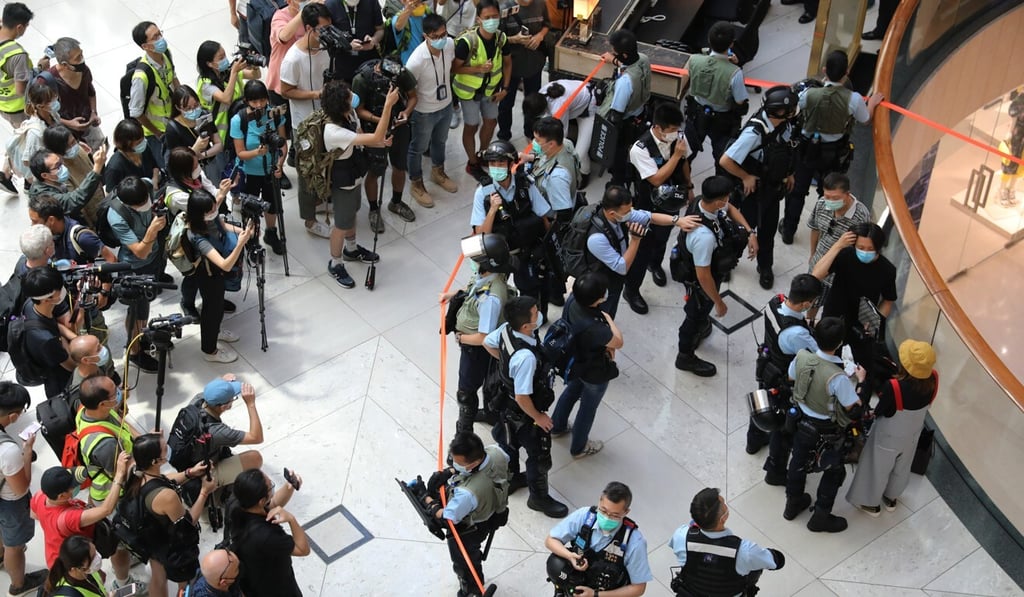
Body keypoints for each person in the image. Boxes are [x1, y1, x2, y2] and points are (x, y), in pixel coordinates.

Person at [780, 50, 883, 244]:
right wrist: (874, 103)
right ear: (846, 73)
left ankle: (788, 230)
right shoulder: (853, 99)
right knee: (827, 194)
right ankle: (825, 231)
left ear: (824, 70)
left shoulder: (809, 93)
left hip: (805, 150)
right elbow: (866, 119)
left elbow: (795, 108)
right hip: (833, 153)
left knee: (797, 192)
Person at [484, 296, 568, 517]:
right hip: (525, 412)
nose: (539, 314)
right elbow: (523, 397)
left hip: (506, 406)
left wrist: (506, 366)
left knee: (508, 444)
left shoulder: (505, 330)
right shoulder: (526, 358)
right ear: (525, 326)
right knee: (540, 456)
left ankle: (512, 480)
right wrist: (539, 418)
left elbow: (488, 343)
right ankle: (538, 499)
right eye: (535, 313)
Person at [783, 317, 865, 533]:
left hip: (800, 420)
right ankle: (820, 516)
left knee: (797, 462)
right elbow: (853, 407)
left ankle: (792, 504)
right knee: (834, 471)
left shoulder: (801, 357)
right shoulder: (838, 378)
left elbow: (791, 378)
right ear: (839, 344)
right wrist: (862, 382)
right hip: (826, 429)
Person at [673, 176, 757, 377]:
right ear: (718, 200)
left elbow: (730, 209)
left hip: (701, 268)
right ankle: (685, 356)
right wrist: (718, 302)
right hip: (701, 280)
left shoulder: (702, 202)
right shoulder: (703, 237)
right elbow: (704, 277)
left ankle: (701, 325)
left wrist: (750, 232)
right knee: (695, 314)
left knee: (700, 312)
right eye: (726, 198)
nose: (728, 201)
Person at [719, 85, 799, 289]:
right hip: (751, 193)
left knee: (768, 232)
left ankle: (765, 267)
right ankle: (726, 263)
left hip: (772, 190)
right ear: (779, 111)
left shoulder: (785, 124)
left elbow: (787, 149)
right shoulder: (754, 133)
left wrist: (789, 173)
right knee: (740, 231)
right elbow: (725, 161)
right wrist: (745, 176)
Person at [847, 340, 938, 516]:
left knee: (877, 466)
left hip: (889, 434)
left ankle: (870, 504)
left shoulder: (895, 386)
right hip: (913, 432)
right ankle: (891, 497)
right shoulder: (934, 379)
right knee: (902, 466)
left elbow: (882, 410)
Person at [322, 80, 396, 288]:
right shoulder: (333, 131)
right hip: (342, 181)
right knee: (341, 224)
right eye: (348, 94)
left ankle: (351, 249)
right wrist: (388, 105)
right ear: (341, 104)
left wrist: (379, 141)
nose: (353, 95)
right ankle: (335, 263)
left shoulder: (349, 114)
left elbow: (364, 136)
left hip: (354, 174)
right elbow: (372, 135)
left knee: (352, 212)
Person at [583, 185, 700, 318]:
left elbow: (650, 217)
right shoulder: (596, 239)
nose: (630, 212)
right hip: (605, 278)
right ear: (612, 213)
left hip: (621, 257)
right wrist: (636, 239)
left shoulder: (619, 214)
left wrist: (677, 221)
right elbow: (622, 267)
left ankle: (630, 293)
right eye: (627, 211)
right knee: (607, 309)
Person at [74, 375, 145, 591]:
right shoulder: (103, 445)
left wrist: (141, 438)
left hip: (114, 489)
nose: (120, 392)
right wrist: (147, 454)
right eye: (116, 392)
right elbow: (125, 473)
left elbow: (120, 422)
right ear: (103, 403)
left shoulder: (88, 410)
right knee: (119, 548)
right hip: (113, 499)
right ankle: (123, 581)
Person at [123, 433, 215, 597]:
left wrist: (190, 473)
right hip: (172, 547)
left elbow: (163, 479)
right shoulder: (167, 497)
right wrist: (204, 492)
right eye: (165, 449)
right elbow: (189, 523)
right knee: (186, 584)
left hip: (151, 539)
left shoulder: (136, 473)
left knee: (158, 577)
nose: (168, 450)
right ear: (155, 461)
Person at [440, 234, 514, 434]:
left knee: (466, 391)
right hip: (473, 345)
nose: (473, 262)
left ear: (488, 264)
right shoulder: (487, 276)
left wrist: (460, 337)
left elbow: (483, 337)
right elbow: (473, 287)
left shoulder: (491, 298)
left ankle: (463, 435)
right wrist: (451, 295)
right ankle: (489, 414)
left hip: (476, 350)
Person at [423, 432, 510, 597]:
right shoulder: (496, 452)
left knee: (465, 561)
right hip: (494, 511)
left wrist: (428, 500)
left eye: (458, 462)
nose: (455, 464)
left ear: (474, 463)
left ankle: (471, 590)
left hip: (470, 529)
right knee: (473, 555)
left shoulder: (466, 494)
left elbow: (447, 517)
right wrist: (450, 471)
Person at [625, 103, 692, 314]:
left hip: (672, 201)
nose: (675, 134)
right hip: (647, 205)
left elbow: (684, 163)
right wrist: (675, 156)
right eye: (671, 130)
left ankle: (655, 264)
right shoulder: (640, 149)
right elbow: (656, 179)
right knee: (641, 248)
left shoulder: (679, 139)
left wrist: (689, 186)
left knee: (663, 238)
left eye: (677, 129)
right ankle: (631, 289)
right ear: (658, 127)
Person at [751, 275, 822, 471]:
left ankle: (753, 442)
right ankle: (775, 470)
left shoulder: (774, 302)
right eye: (814, 302)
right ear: (807, 303)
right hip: (783, 380)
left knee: (761, 406)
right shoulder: (797, 333)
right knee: (783, 428)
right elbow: (817, 354)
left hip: (766, 366)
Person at [549, 272, 622, 459]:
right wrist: (608, 318)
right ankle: (579, 447)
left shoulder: (573, 300)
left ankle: (557, 426)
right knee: (588, 408)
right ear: (596, 299)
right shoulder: (596, 327)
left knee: (571, 391)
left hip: (574, 362)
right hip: (594, 371)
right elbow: (618, 341)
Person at [811, 223, 896, 377]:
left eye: (870, 249)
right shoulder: (846, 255)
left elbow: (889, 300)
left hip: (861, 322)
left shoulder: (887, 270)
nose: (864, 252)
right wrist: (838, 246)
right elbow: (816, 275)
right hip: (834, 313)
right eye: (860, 247)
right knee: (825, 355)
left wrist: (876, 320)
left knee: (862, 362)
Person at [470, 139, 549, 303]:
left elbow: (543, 216)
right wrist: (492, 210)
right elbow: (481, 234)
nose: (496, 167)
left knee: (531, 292)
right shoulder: (482, 193)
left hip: (527, 250)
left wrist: (548, 246)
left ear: (510, 163)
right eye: (492, 163)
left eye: (501, 162)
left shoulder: (525, 185)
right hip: (499, 253)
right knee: (493, 295)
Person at [669, 487, 785, 596]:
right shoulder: (746, 551)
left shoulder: (681, 536)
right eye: (724, 504)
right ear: (723, 518)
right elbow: (776, 562)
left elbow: (673, 544)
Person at [280, 3, 333, 239]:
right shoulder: (293, 59)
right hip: (304, 125)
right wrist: (315, 94)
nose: (326, 34)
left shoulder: (325, 49)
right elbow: (286, 90)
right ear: (309, 28)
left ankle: (321, 198)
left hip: (325, 120)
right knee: (306, 173)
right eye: (323, 30)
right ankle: (309, 219)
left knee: (324, 163)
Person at [545, 481, 652, 597]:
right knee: (555, 563)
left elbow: (638, 588)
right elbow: (550, 540)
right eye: (603, 511)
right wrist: (570, 556)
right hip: (577, 579)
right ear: (600, 501)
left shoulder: (635, 542)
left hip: (606, 591)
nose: (606, 518)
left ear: (626, 512)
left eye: (614, 515)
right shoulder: (585, 516)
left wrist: (595, 595)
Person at [186, 189, 253, 363]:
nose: (214, 212)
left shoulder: (210, 215)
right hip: (208, 275)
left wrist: (243, 231)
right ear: (199, 214)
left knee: (218, 304)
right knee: (212, 310)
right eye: (210, 211)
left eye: (215, 208)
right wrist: (241, 243)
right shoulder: (196, 235)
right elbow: (225, 264)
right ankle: (209, 351)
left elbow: (222, 225)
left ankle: (216, 331)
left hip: (218, 273)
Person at [108, 175, 167, 373]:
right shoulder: (116, 216)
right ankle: (134, 350)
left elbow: (154, 182)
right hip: (134, 267)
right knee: (135, 310)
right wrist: (151, 232)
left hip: (155, 258)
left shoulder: (145, 185)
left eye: (146, 200)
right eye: (140, 204)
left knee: (145, 305)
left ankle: (142, 335)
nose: (145, 205)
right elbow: (140, 252)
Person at [351, 58, 418, 228]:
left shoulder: (401, 73)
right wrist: (381, 119)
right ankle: (374, 209)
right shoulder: (362, 80)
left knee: (400, 166)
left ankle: (396, 202)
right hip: (374, 130)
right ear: (379, 68)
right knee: (375, 171)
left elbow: (413, 97)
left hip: (399, 126)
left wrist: (405, 112)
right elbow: (359, 110)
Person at [31, 456, 130, 569]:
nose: (77, 486)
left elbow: (33, 514)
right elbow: (106, 509)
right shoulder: (69, 518)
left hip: (55, 556)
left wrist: (53, 527)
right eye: (73, 486)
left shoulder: (40, 496)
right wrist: (119, 474)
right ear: (61, 495)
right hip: (73, 565)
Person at [453, 0, 512, 180]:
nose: (492, 21)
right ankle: (472, 163)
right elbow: (454, 69)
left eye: (495, 16)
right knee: (471, 126)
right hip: (469, 93)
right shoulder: (467, 42)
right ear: (479, 19)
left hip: (491, 92)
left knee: (491, 122)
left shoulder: (501, 38)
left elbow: (508, 63)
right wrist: (478, 68)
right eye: (487, 18)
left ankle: (483, 154)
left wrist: (506, 88)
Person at [405, 13, 460, 208]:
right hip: (424, 111)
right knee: (418, 148)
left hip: (445, 105)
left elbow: (452, 68)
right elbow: (409, 89)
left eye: (444, 34)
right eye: (436, 37)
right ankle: (416, 183)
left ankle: (438, 172)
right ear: (426, 36)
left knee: (440, 141)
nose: (441, 40)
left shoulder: (450, 45)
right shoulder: (416, 61)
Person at [0, 381, 48, 596]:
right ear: (12, 417)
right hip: (8, 502)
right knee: (15, 545)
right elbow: (19, 489)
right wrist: (26, 454)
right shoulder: (8, 451)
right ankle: (19, 584)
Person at [229, 468, 309, 597]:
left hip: (252, 583)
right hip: (277, 589)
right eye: (270, 485)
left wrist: (290, 486)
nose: (272, 485)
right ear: (261, 500)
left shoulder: (237, 504)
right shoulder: (267, 536)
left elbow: (272, 504)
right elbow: (302, 549)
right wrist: (291, 519)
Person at [230, 79, 288, 255]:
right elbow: (240, 152)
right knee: (251, 208)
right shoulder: (239, 120)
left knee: (272, 205)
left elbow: (282, 144)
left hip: (271, 170)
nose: (259, 104)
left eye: (262, 100)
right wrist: (257, 152)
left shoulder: (275, 114)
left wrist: (279, 164)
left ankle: (271, 233)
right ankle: (251, 238)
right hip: (250, 172)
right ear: (247, 101)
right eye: (254, 101)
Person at [682, 21, 749, 168]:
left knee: (685, 154)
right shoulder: (735, 73)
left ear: (709, 40)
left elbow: (685, 82)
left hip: (696, 115)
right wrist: (736, 66)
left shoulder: (694, 59)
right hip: (722, 122)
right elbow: (740, 102)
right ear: (731, 44)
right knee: (722, 159)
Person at [180, 377, 265, 486]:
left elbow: (213, 391)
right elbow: (256, 438)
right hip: (200, 475)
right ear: (225, 406)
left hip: (187, 461)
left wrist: (221, 383)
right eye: (233, 398)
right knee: (255, 458)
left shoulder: (198, 400)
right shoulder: (217, 431)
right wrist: (251, 404)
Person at [195, 40, 260, 182]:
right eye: (220, 57)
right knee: (232, 174)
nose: (225, 59)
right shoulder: (205, 84)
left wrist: (254, 65)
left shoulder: (228, 72)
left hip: (243, 124)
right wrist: (234, 73)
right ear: (209, 63)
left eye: (224, 55)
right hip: (224, 135)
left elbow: (256, 76)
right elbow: (226, 98)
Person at [267, 0, 313, 192]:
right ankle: (278, 168)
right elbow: (284, 36)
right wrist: (304, 13)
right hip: (280, 87)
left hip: (301, 84)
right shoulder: (280, 16)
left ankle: (295, 153)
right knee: (280, 132)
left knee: (300, 125)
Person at [598, 30, 651, 186]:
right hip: (640, 115)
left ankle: (618, 181)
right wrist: (615, 61)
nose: (612, 54)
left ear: (624, 55)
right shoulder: (644, 60)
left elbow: (616, 116)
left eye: (615, 53)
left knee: (618, 157)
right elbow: (630, 66)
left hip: (625, 124)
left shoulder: (625, 83)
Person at [129, 21, 180, 169]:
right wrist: (158, 134)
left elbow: (173, 77)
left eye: (160, 33)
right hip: (157, 133)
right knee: (171, 168)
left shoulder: (165, 54)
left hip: (173, 121)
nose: (161, 39)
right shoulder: (141, 77)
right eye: (155, 37)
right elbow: (136, 112)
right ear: (145, 46)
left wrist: (184, 99)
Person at [522, 80, 594, 185]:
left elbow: (560, 137)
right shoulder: (540, 95)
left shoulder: (558, 108)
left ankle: (584, 173)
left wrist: (540, 156)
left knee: (579, 154)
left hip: (587, 109)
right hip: (575, 102)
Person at [19, 265, 75, 397]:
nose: (63, 290)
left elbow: (51, 323)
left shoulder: (30, 304)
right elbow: (71, 366)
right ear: (47, 299)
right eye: (60, 289)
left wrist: (72, 337)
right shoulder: (46, 340)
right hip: (62, 383)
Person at [496, 0, 548, 143]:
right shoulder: (504, 9)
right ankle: (504, 135)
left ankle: (531, 132)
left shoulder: (540, 4)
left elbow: (546, 25)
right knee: (506, 103)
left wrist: (540, 36)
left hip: (534, 63)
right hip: (510, 67)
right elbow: (497, 38)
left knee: (532, 102)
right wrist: (514, 40)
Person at [38, 37, 104, 149]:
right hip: (64, 131)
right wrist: (69, 123)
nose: (82, 59)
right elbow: (44, 113)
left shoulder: (84, 70)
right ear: (65, 64)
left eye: (81, 54)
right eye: (78, 58)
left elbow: (91, 92)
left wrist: (93, 112)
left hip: (87, 123)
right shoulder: (47, 81)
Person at [35, 125, 107, 226]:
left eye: (74, 141)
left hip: (100, 202)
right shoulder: (59, 172)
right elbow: (75, 200)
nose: (74, 146)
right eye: (69, 145)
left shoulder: (79, 151)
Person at [9, 82, 61, 185]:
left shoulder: (51, 114)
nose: (55, 101)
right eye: (51, 100)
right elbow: (32, 161)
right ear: (41, 106)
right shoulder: (36, 133)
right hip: (51, 175)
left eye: (54, 97)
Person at [162, 86, 218, 177]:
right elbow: (178, 162)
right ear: (178, 107)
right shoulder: (173, 129)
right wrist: (195, 149)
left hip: (211, 164)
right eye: (188, 108)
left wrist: (203, 155)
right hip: (191, 171)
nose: (193, 110)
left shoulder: (204, 115)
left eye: (196, 105)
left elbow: (219, 144)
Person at [324, 0, 385, 82]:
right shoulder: (330, 5)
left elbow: (380, 29)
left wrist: (374, 40)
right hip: (344, 67)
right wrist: (347, 45)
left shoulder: (371, 2)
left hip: (370, 64)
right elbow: (327, 36)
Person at [103, 118, 162, 193]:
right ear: (127, 144)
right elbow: (111, 194)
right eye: (138, 143)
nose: (143, 143)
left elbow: (154, 165)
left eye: (143, 139)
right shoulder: (115, 167)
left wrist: (155, 179)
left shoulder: (144, 149)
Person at [0, 2, 34, 128]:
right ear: (19, 27)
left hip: (3, 104)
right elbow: (21, 90)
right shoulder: (17, 54)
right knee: (28, 137)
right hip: (18, 109)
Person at [42, 536, 108, 597]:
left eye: (95, 551)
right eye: (93, 557)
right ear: (75, 568)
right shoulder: (68, 595)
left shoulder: (88, 570)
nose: (98, 557)